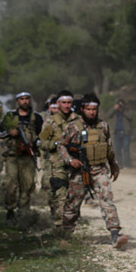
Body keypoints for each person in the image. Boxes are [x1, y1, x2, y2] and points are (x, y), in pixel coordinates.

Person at [58, 92, 126, 247]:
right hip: (79, 171)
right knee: (73, 204)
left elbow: (109, 147)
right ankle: (65, 235)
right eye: (88, 109)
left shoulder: (103, 126)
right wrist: (70, 160)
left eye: (94, 109)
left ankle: (115, 233)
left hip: (99, 169)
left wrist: (114, 165)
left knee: (106, 199)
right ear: (82, 109)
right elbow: (61, 146)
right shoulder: (73, 126)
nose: (91, 112)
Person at [0, 92, 44, 221]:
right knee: (10, 184)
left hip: (28, 157)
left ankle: (23, 212)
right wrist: (10, 132)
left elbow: (43, 136)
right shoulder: (10, 116)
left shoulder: (36, 117)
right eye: (22, 99)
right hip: (12, 157)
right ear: (17, 101)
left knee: (27, 186)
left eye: (27, 98)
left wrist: (33, 143)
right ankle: (10, 209)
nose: (25, 101)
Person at [38, 90, 79, 227]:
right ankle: (61, 225)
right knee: (60, 194)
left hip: (75, 163)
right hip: (57, 163)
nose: (66, 105)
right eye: (64, 102)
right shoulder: (51, 121)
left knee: (74, 195)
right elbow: (42, 143)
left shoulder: (78, 120)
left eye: (69, 102)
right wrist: (56, 144)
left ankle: (69, 222)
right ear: (58, 103)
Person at [109, 99, 132, 168]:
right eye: (119, 105)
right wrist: (114, 109)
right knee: (117, 149)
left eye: (121, 105)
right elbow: (108, 115)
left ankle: (126, 164)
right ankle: (119, 164)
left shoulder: (127, 110)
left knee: (126, 149)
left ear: (124, 105)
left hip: (125, 133)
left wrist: (123, 111)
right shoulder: (115, 112)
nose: (120, 106)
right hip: (116, 133)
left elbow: (130, 117)